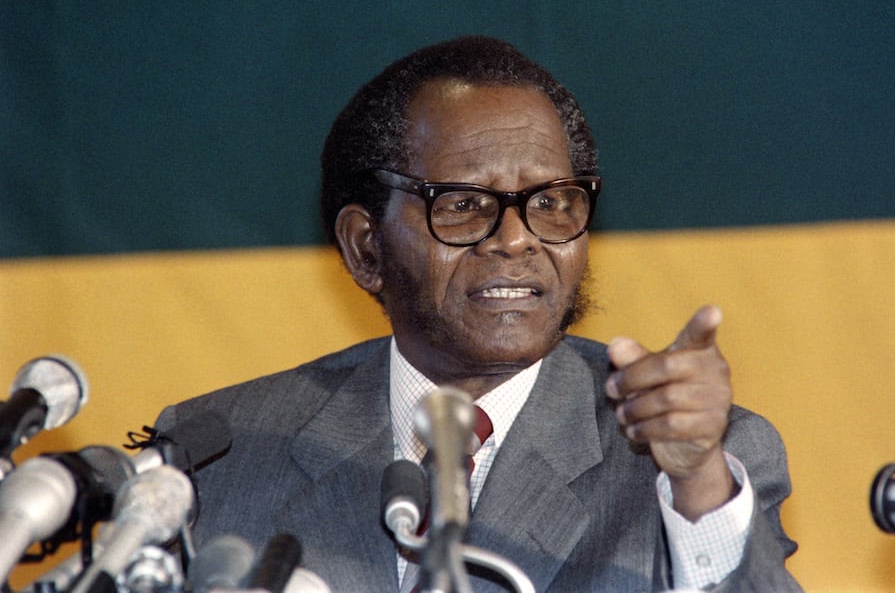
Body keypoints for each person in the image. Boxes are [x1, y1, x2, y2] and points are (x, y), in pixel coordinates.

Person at [156, 35, 801, 592]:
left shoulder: (687, 458)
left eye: (551, 202)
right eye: (462, 205)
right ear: (366, 247)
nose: (517, 240)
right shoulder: (215, 458)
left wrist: (699, 486)